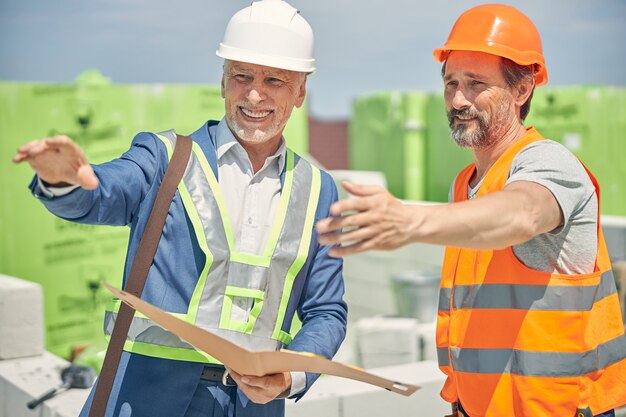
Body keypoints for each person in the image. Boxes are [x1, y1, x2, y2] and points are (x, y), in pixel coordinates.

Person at [12, 1, 347, 416]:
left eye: (274, 79)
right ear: (223, 82)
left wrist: (290, 376)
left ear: (300, 93)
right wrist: (63, 181)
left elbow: (326, 311)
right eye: (241, 76)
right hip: (147, 399)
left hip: (252, 407)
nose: (254, 93)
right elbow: (103, 193)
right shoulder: (164, 158)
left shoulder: (318, 189)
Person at [316, 4, 626, 417]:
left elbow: (521, 214)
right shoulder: (463, 186)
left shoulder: (550, 163)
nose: (458, 99)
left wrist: (409, 221)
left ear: (522, 89)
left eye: (475, 83)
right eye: (450, 83)